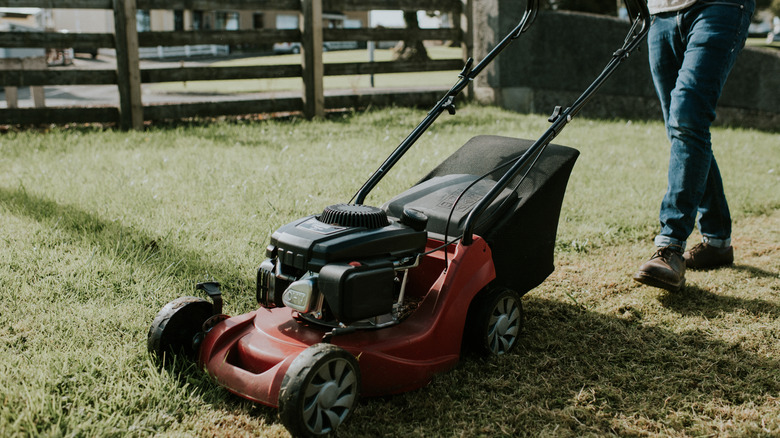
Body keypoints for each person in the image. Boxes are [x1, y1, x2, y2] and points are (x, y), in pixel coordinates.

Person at [632, 0, 755, 291]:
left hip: (720, 6)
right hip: (662, 11)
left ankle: (670, 245)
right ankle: (717, 241)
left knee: (686, 117)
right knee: (683, 129)